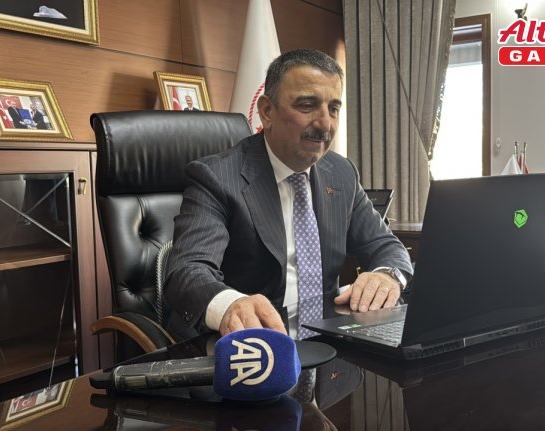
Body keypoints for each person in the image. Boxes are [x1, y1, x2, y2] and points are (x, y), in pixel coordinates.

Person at [165, 49, 412, 341]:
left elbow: (385, 245)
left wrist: (386, 276)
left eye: (333, 108)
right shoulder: (217, 177)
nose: (325, 124)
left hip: (330, 342)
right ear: (267, 112)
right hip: (250, 344)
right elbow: (188, 270)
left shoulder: (341, 173)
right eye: (307, 106)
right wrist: (231, 304)